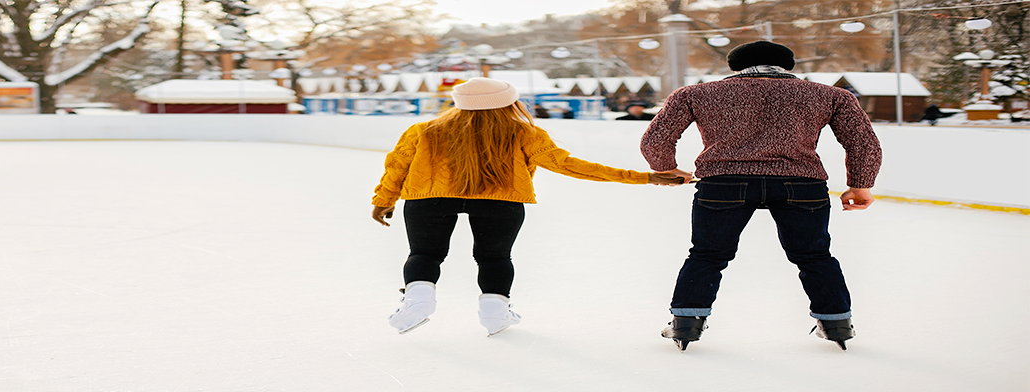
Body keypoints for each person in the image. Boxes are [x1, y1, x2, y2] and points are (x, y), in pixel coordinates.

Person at [372, 78, 683, 336]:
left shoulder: (423, 131)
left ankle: (419, 300)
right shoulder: (524, 132)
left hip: (428, 198)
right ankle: (495, 314)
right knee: (494, 257)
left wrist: (383, 201)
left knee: (425, 254)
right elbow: (569, 165)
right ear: (509, 102)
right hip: (501, 201)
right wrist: (645, 177)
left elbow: (396, 169)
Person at [640, 41, 882, 351]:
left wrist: (666, 168)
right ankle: (836, 323)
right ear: (787, 65)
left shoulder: (696, 94)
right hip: (801, 184)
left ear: (736, 65)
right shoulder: (831, 95)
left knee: (707, 255)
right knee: (814, 256)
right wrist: (860, 184)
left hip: (724, 183)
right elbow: (864, 144)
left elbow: (655, 140)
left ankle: (687, 323)